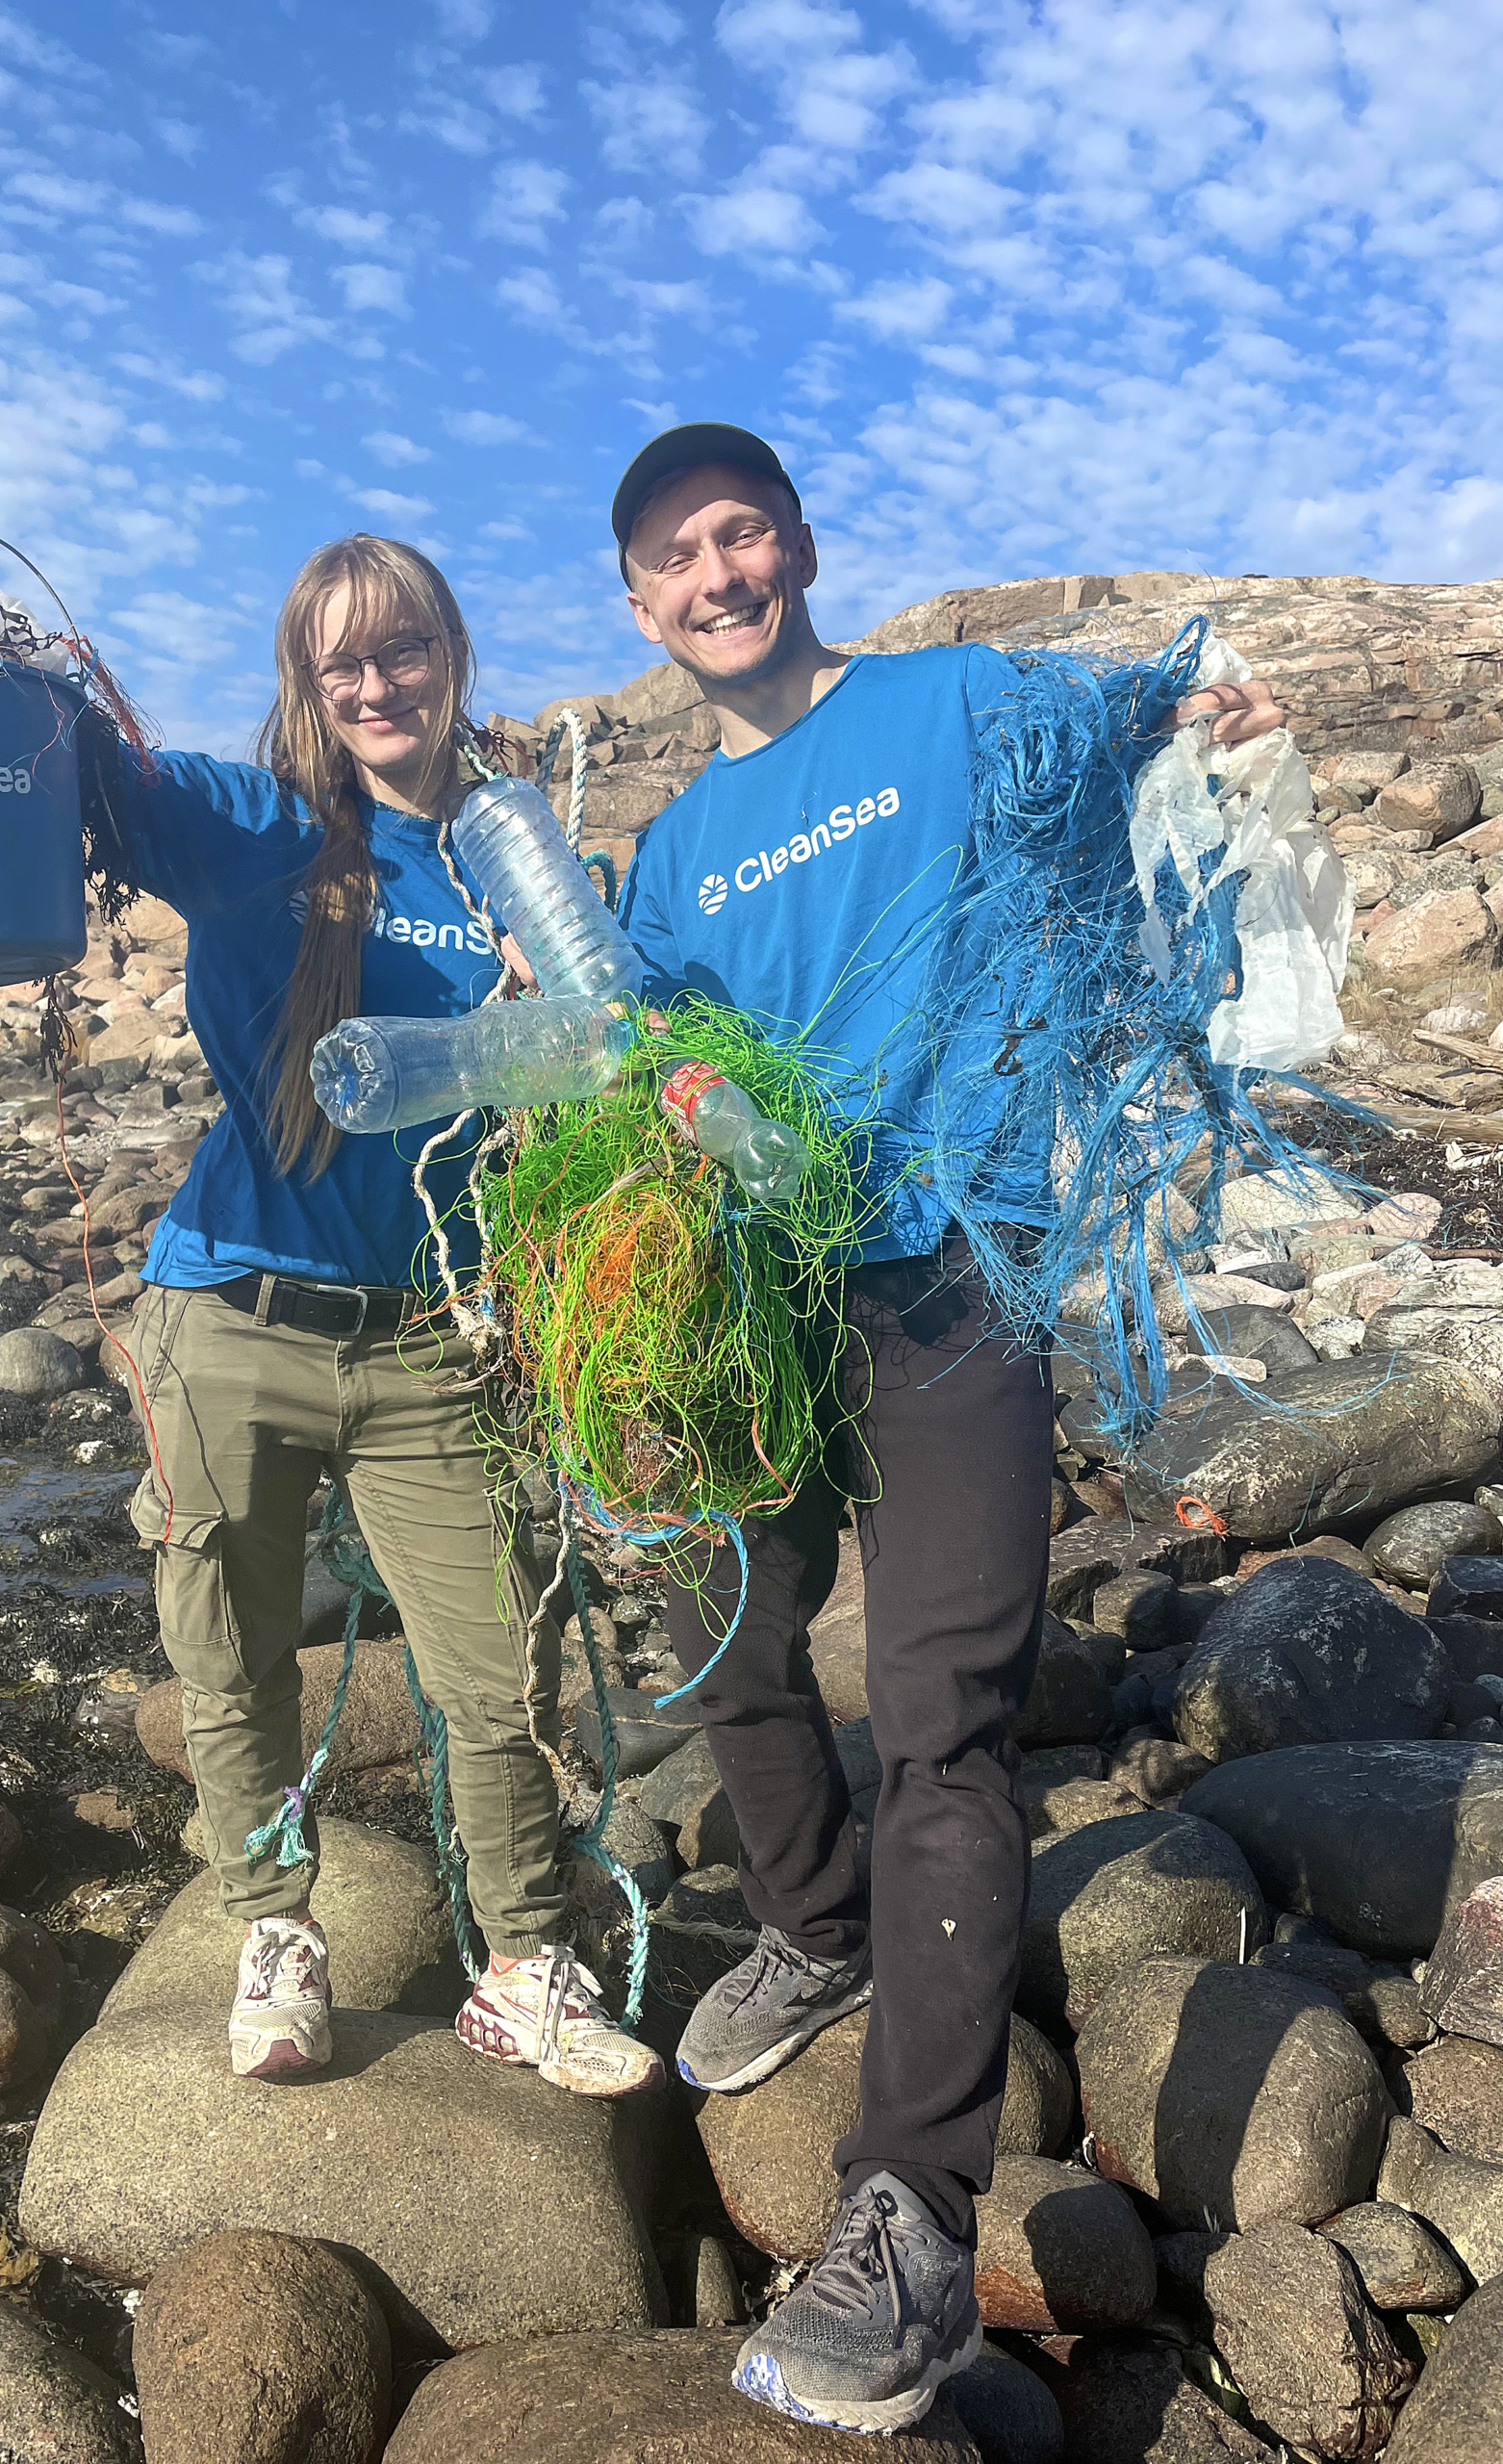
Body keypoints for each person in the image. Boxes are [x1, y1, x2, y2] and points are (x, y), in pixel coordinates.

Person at [609, 424, 1284, 2433]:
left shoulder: (952, 703)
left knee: (943, 1709)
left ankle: (908, 2207)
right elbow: (644, 1036)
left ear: (795, 545)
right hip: (762, 1294)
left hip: (960, 1267)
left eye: (741, 533)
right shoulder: (665, 855)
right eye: (676, 557)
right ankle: (818, 1927)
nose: (718, 574)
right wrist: (636, 1096)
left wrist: (1199, 698)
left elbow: (1119, 729)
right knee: (729, 1629)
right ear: (639, 607)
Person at [0, 456, 660, 2101]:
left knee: (493, 1664)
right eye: (338, 660)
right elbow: (54, 749)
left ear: (452, 660)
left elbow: (615, 1059)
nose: (374, 684)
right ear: (306, 681)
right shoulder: (249, 826)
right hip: (229, 1314)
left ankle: (522, 1960)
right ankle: (273, 1929)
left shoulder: (515, 864)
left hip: (435, 1336)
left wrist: (548, 1029)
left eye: (404, 651)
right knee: (223, 1653)